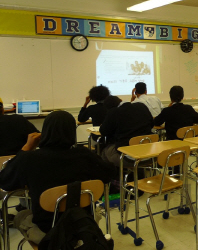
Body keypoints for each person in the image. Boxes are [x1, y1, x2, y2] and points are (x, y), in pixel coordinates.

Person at [0, 111, 115, 244]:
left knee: (20, 215)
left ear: (45, 131)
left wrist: (26, 147)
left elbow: (4, 181)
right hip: (82, 225)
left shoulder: (29, 159)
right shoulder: (84, 155)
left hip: (47, 233)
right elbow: (109, 173)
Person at [100, 96, 154, 167]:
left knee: (104, 152)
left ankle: (116, 176)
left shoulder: (113, 112)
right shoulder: (141, 106)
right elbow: (152, 124)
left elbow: (103, 131)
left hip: (128, 158)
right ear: (120, 100)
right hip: (150, 155)